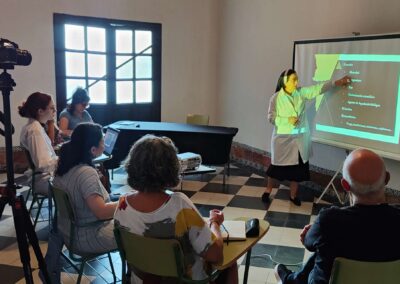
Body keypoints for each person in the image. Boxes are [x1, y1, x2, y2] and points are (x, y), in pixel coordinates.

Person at [114, 135, 238, 284]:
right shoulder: (179, 205)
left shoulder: (122, 205)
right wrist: (214, 223)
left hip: (141, 280)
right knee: (231, 262)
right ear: (171, 168)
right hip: (184, 281)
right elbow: (215, 255)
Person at [274, 148, 400, 284]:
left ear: (345, 185)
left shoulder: (330, 220)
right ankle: (293, 280)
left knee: (324, 248)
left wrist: (317, 234)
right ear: (386, 178)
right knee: (325, 245)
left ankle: (291, 281)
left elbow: (309, 244)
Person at [262, 69, 351, 206]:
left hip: (299, 140)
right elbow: (271, 118)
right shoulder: (275, 98)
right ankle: (268, 190)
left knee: (297, 171)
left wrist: (336, 82)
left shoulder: (301, 93)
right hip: (282, 141)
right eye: (293, 79)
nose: (297, 82)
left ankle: (293, 195)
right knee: (275, 169)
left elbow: (317, 89)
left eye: (297, 79)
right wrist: (287, 120)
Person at [53, 123, 117, 254]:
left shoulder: (64, 165)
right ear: (93, 150)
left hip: (68, 232)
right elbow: (102, 213)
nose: (104, 145)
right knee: (136, 229)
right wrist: (126, 203)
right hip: (88, 236)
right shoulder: (86, 173)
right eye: (102, 141)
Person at [19, 92, 58, 195]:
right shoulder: (35, 130)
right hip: (44, 180)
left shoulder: (33, 126)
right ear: (40, 111)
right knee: (82, 177)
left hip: (43, 176)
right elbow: (42, 164)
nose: (55, 110)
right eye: (52, 108)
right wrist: (63, 160)